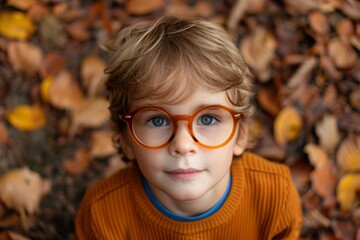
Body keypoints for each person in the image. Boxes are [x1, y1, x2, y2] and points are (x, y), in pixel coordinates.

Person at [75, 16, 302, 239]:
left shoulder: (275, 197)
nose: (183, 145)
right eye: (158, 120)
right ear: (126, 141)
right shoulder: (101, 217)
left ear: (240, 135)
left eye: (207, 119)